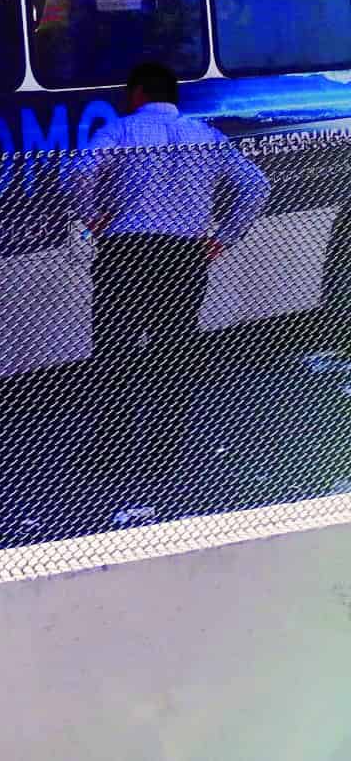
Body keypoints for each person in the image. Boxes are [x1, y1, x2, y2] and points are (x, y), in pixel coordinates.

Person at [65, 60, 270, 500]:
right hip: (184, 255)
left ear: (138, 92)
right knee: (174, 351)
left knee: (114, 350)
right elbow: (256, 185)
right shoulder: (206, 136)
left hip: (126, 252)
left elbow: (79, 171)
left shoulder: (120, 131)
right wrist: (224, 236)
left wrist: (92, 216)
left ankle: (111, 452)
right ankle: (165, 452)